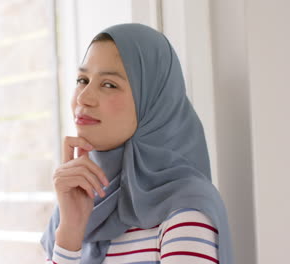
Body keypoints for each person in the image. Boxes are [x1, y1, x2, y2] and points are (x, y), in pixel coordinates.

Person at [40, 23, 234, 264]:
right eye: (82, 79)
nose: (83, 97)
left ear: (153, 101)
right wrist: (69, 233)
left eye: (109, 84)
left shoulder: (185, 212)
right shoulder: (73, 210)